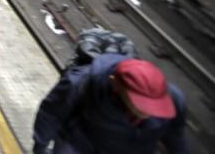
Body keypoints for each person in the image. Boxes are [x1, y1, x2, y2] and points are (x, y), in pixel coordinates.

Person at [32, 55, 186, 154]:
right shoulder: (80, 83)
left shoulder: (173, 100)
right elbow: (51, 114)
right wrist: (40, 145)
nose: (148, 112)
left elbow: (174, 135)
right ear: (115, 83)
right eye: (140, 103)